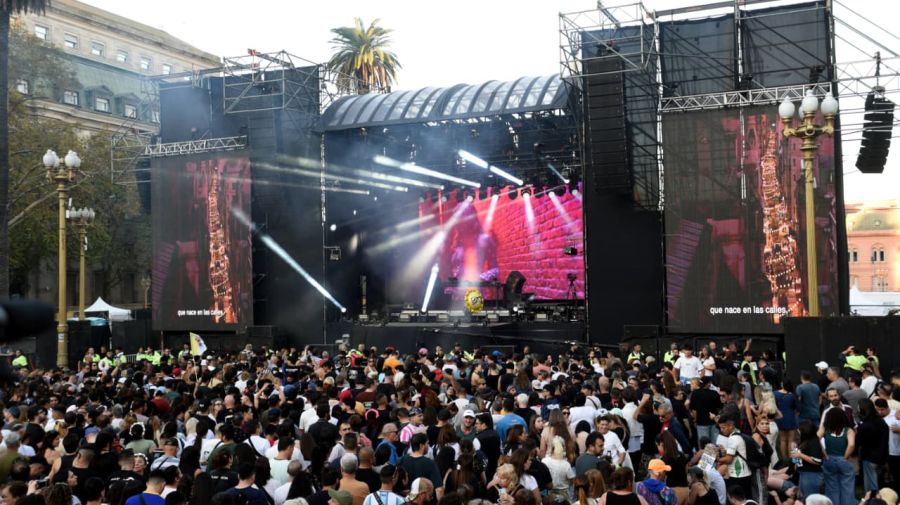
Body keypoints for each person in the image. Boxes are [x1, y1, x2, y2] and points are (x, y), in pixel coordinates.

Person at [817, 407, 856, 505]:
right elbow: (851, 445)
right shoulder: (848, 430)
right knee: (847, 486)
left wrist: (824, 453)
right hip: (843, 459)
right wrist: (845, 457)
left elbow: (816, 439)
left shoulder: (825, 429)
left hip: (829, 458)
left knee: (831, 486)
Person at [856, 399, 889, 494]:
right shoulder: (881, 421)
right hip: (881, 457)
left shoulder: (865, 426)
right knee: (877, 481)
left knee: (871, 486)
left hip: (870, 458)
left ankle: (872, 501)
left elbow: (860, 441)